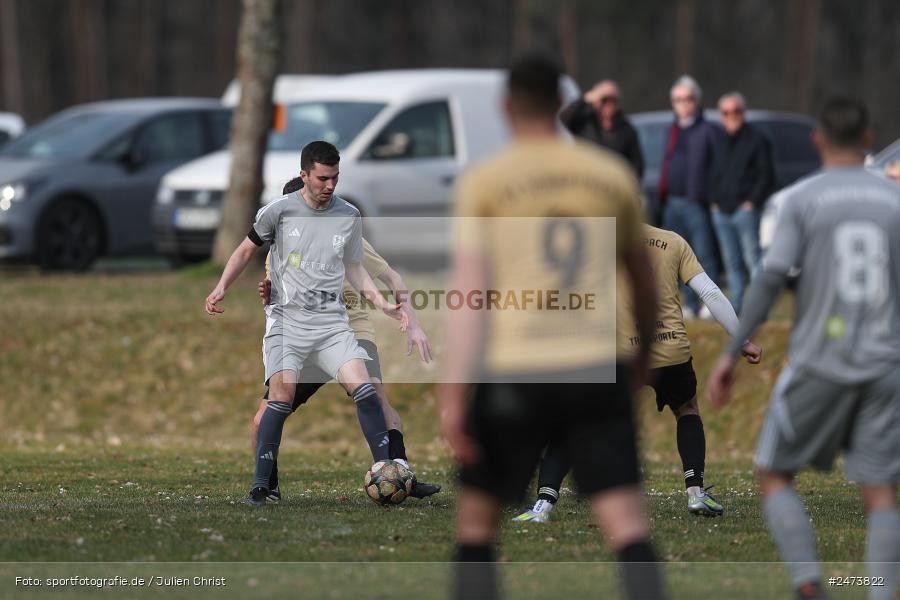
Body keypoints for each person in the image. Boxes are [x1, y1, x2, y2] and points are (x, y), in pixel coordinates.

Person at [440, 52, 666, 600]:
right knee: (627, 523)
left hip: (514, 367)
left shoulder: (486, 181)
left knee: (476, 525)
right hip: (593, 363)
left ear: (506, 107)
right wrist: (641, 354)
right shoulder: (608, 174)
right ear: (563, 105)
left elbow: (468, 296)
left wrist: (453, 394)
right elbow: (643, 276)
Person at [709, 97, 900, 600]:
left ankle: (810, 585)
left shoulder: (799, 199)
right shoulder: (894, 200)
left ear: (817, 139)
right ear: (867, 139)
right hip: (885, 363)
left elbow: (770, 280)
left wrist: (730, 353)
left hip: (821, 360)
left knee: (774, 474)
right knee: (881, 493)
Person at [513, 222, 762, 523]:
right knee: (687, 410)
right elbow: (709, 292)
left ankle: (543, 506)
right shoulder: (672, 241)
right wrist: (742, 341)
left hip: (623, 356)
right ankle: (696, 494)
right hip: (672, 351)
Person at [205, 140, 408, 507]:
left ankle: (386, 470)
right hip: (289, 326)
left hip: (332, 325)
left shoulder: (347, 215)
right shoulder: (278, 212)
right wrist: (221, 287)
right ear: (304, 176)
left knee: (365, 389)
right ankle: (262, 488)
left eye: (335, 178)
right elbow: (245, 249)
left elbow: (357, 271)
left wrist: (383, 304)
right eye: (323, 178)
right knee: (279, 399)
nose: (330, 185)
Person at [251, 176, 440, 503]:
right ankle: (268, 487)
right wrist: (269, 294)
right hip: (303, 338)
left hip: (351, 332)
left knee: (380, 403)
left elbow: (391, 276)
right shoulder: (276, 248)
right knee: (263, 416)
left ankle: (401, 476)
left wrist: (415, 324)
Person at [658, 75, 721, 319]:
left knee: (703, 255)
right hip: (671, 201)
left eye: (688, 99)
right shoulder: (671, 129)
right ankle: (689, 305)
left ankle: (711, 305)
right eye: (678, 99)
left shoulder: (708, 131)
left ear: (697, 101)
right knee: (674, 257)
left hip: (696, 201)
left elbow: (717, 168)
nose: (683, 104)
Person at [708, 92, 775, 315]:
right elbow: (711, 173)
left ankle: (758, 309)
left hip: (744, 211)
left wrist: (752, 202)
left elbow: (766, 175)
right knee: (732, 265)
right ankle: (735, 307)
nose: (731, 116)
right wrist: (714, 201)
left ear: (743, 113)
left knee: (753, 261)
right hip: (722, 211)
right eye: (726, 112)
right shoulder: (718, 140)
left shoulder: (757, 139)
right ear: (721, 115)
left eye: (736, 111)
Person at [560, 79, 644, 178]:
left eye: (614, 100)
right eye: (605, 100)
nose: (609, 104)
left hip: (613, 184)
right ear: (596, 101)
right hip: (586, 182)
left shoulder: (626, 129)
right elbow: (564, 118)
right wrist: (585, 99)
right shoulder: (584, 123)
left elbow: (637, 164)